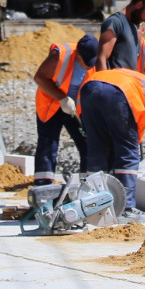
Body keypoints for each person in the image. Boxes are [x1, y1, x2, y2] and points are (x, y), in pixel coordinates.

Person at [79, 66, 145, 212]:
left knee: (97, 149)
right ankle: (125, 208)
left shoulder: (134, 79)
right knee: (127, 152)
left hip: (89, 88)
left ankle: (91, 205)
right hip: (117, 94)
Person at [31, 33, 98, 184]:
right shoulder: (60, 55)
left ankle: (87, 186)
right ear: (77, 54)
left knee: (88, 143)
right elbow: (40, 78)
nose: (88, 66)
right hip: (52, 105)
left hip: (75, 110)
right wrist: (63, 99)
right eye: (85, 62)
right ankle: (43, 188)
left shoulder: (95, 60)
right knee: (48, 144)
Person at [98, 0, 145, 71]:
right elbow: (101, 58)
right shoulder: (115, 22)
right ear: (139, 5)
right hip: (114, 82)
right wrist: (104, 83)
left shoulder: (134, 26)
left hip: (128, 82)